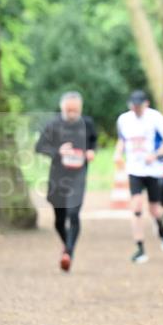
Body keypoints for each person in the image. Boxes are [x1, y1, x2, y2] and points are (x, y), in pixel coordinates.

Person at [35, 91, 97, 272]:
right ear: (62, 108)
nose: (72, 114)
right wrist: (58, 151)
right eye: (69, 110)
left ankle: (68, 252)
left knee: (73, 213)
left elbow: (93, 141)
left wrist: (92, 151)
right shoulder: (53, 125)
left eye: (75, 110)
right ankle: (66, 246)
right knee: (59, 220)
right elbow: (39, 147)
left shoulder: (87, 123)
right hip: (57, 176)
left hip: (78, 176)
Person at [115, 90, 163, 263]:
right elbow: (122, 140)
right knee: (136, 207)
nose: (136, 109)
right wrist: (118, 154)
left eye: (139, 106)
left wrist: (155, 155)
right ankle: (140, 247)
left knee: (154, 209)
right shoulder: (124, 119)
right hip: (134, 169)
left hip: (152, 169)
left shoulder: (155, 117)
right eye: (133, 106)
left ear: (146, 104)